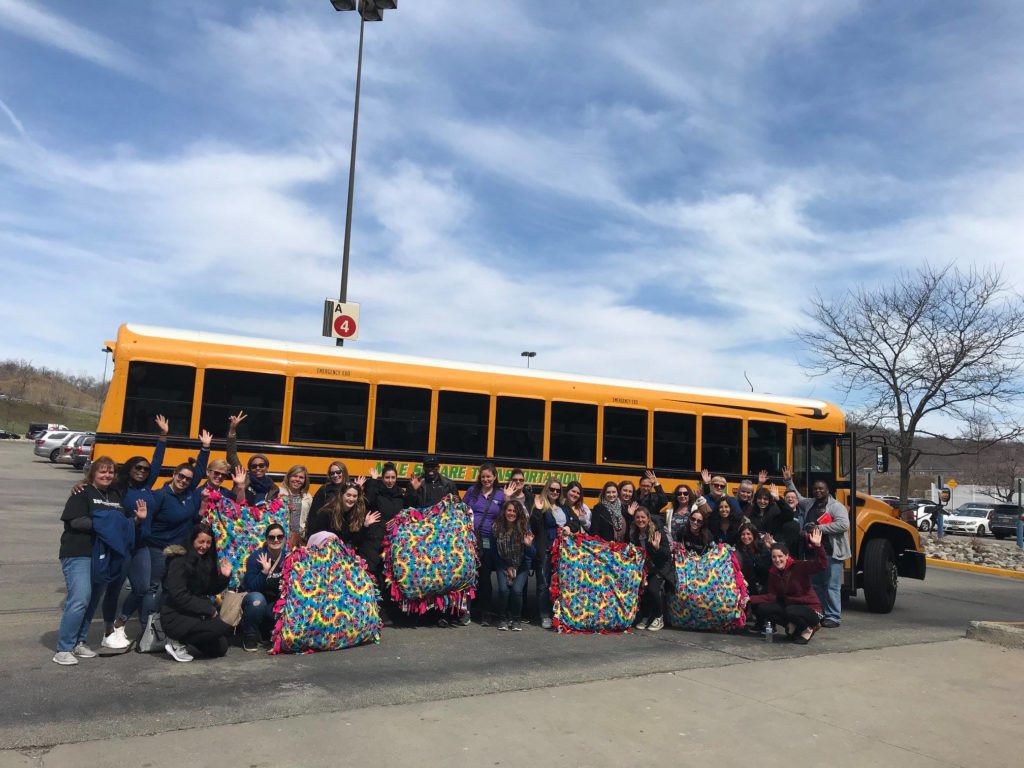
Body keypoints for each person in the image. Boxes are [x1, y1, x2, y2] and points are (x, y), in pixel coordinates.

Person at [54, 457, 142, 666]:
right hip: (79, 553)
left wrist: (137, 520)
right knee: (80, 599)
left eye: (110, 472)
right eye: (102, 472)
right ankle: (64, 648)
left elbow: (120, 524)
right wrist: (107, 522)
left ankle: (79, 642)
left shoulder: (114, 495)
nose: (107, 475)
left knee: (93, 601)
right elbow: (76, 521)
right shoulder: (82, 492)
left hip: (103, 556)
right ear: (93, 473)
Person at [99, 415, 169, 651]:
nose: (142, 471)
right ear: (129, 469)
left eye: (145, 469)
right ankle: (108, 628)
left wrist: (163, 436)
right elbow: (95, 487)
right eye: (138, 468)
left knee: (141, 588)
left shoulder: (148, 487)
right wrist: (79, 486)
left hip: (141, 545)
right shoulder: (119, 489)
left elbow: (158, 461)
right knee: (114, 588)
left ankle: (121, 621)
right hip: (122, 545)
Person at [139, 430, 212, 645]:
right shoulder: (160, 495)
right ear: (173, 475)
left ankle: (162, 625)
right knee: (155, 588)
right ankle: (146, 628)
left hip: (179, 550)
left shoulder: (190, 493)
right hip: (158, 549)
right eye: (180, 476)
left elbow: (199, 470)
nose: (184, 480)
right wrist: (162, 438)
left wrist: (205, 447)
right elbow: (147, 523)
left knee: (172, 588)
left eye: (187, 479)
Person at [782, 466, 850, 628]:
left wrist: (819, 528)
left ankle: (833, 616)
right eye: (815, 489)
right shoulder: (809, 503)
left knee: (831, 586)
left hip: (831, 553)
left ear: (828, 491)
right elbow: (797, 496)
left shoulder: (836, 507)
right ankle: (819, 613)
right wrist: (788, 481)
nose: (818, 491)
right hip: (812, 553)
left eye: (821, 489)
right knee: (817, 585)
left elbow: (843, 525)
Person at [160, 523, 233, 661]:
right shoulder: (178, 561)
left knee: (220, 648)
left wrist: (224, 576)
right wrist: (208, 609)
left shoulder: (205, 560)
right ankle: (176, 642)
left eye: (208, 542)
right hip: (176, 615)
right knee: (222, 626)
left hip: (195, 614)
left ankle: (187, 641)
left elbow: (210, 589)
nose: (204, 546)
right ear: (192, 540)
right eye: (201, 541)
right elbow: (179, 595)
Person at [748, 529, 827, 644]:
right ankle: (792, 625)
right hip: (792, 607)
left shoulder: (799, 566)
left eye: (780, 556)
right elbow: (771, 597)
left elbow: (821, 565)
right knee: (764, 608)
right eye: (774, 557)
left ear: (787, 556)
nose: (777, 560)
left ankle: (809, 628)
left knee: (790, 610)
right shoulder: (773, 572)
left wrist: (817, 546)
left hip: (811, 609)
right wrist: (749, 599)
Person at [528, 476, 581, 629]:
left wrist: (569, 527)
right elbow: (536, 526)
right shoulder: (541, 505)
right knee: (544, 583)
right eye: (552, 489)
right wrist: (537, 510)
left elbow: (575, 521)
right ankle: (544, 615)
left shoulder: (563, 506)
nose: (555, 492)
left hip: (562, 550)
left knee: (561, 583)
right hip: (546, 548)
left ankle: (558, 613)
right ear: (546, 489)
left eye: (558, 490)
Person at [462, 462, 505, 625]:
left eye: (489, 476)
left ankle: (485, 612)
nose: (486, 479)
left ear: (494, 477)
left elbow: (507, 515)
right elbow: (462, 510)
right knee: (468, 575)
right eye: (483, 476)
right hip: (470, 539)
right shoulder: (472, 492)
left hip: (489, 541)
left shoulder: (500, 495)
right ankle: (466, 611)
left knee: (485, 577)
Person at [241, 523, 287, 652]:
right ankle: (249, 635)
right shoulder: (256, 557)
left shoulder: (288, 557)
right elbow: (251, 587)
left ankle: (266, 631)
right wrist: (264, 572)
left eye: (279, 537)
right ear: (266, 539)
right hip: (254, 599)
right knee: (257, 599)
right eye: (272, 537)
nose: (276, 540)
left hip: (274, 602)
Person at [491, 500, 536, 631]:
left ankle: (516, 619)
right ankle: (503, 619)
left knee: (517, 590)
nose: (511, 513)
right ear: (504, 511)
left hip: (521, 565)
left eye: (514, 511)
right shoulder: (496, 527)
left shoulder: (524, 527)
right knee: (503, 591)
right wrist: (506, 567)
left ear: (519, 513)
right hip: (503, 564)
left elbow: (532, 554)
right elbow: (494, 552)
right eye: (509, 510)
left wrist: (528, 545)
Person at [629, 507, 675, 631]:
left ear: (648, 519)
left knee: (652, 589)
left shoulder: (657, 532)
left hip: (660, 567)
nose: (640, 520)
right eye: (637, 517)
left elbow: (666, 554)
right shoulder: (634, 533)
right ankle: (645, 616)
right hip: (644, 568)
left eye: (643, 517)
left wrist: (657, 547)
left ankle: (659, 617)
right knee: (639, 588)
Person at [225, 412, 278, 505]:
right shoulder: (243, 478)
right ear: (249, 469)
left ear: (267, 468)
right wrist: (232, 430)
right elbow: (231, 455)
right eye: (254, 466)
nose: (258, 468)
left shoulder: (274, 488)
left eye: (261, 465)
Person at [735, 523, 771, 596]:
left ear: (754, 535)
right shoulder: (738, 550)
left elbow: (766, 568)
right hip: (746, 586)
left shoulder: (762, 547)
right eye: (743, 534)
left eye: (748, 534)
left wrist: (769, 548)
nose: (745, 537)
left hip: (763, 585)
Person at [278, 465, 312, 540]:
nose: (297, 479)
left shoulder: (308, 497)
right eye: (294, 476)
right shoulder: (278, 492)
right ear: (288, 477)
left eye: (301, 477)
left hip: (299, 538)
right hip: (280, 536)